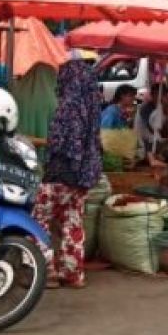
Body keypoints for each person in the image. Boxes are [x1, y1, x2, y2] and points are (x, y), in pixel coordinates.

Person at [33, 59, 102, 289]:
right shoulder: (92, 105)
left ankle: (46, 272)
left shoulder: (67, 106)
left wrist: (40, 142)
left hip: (61, 172)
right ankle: (73, 274)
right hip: (84, 174)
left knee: (39, 219)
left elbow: (62, 144)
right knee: (72, 222)